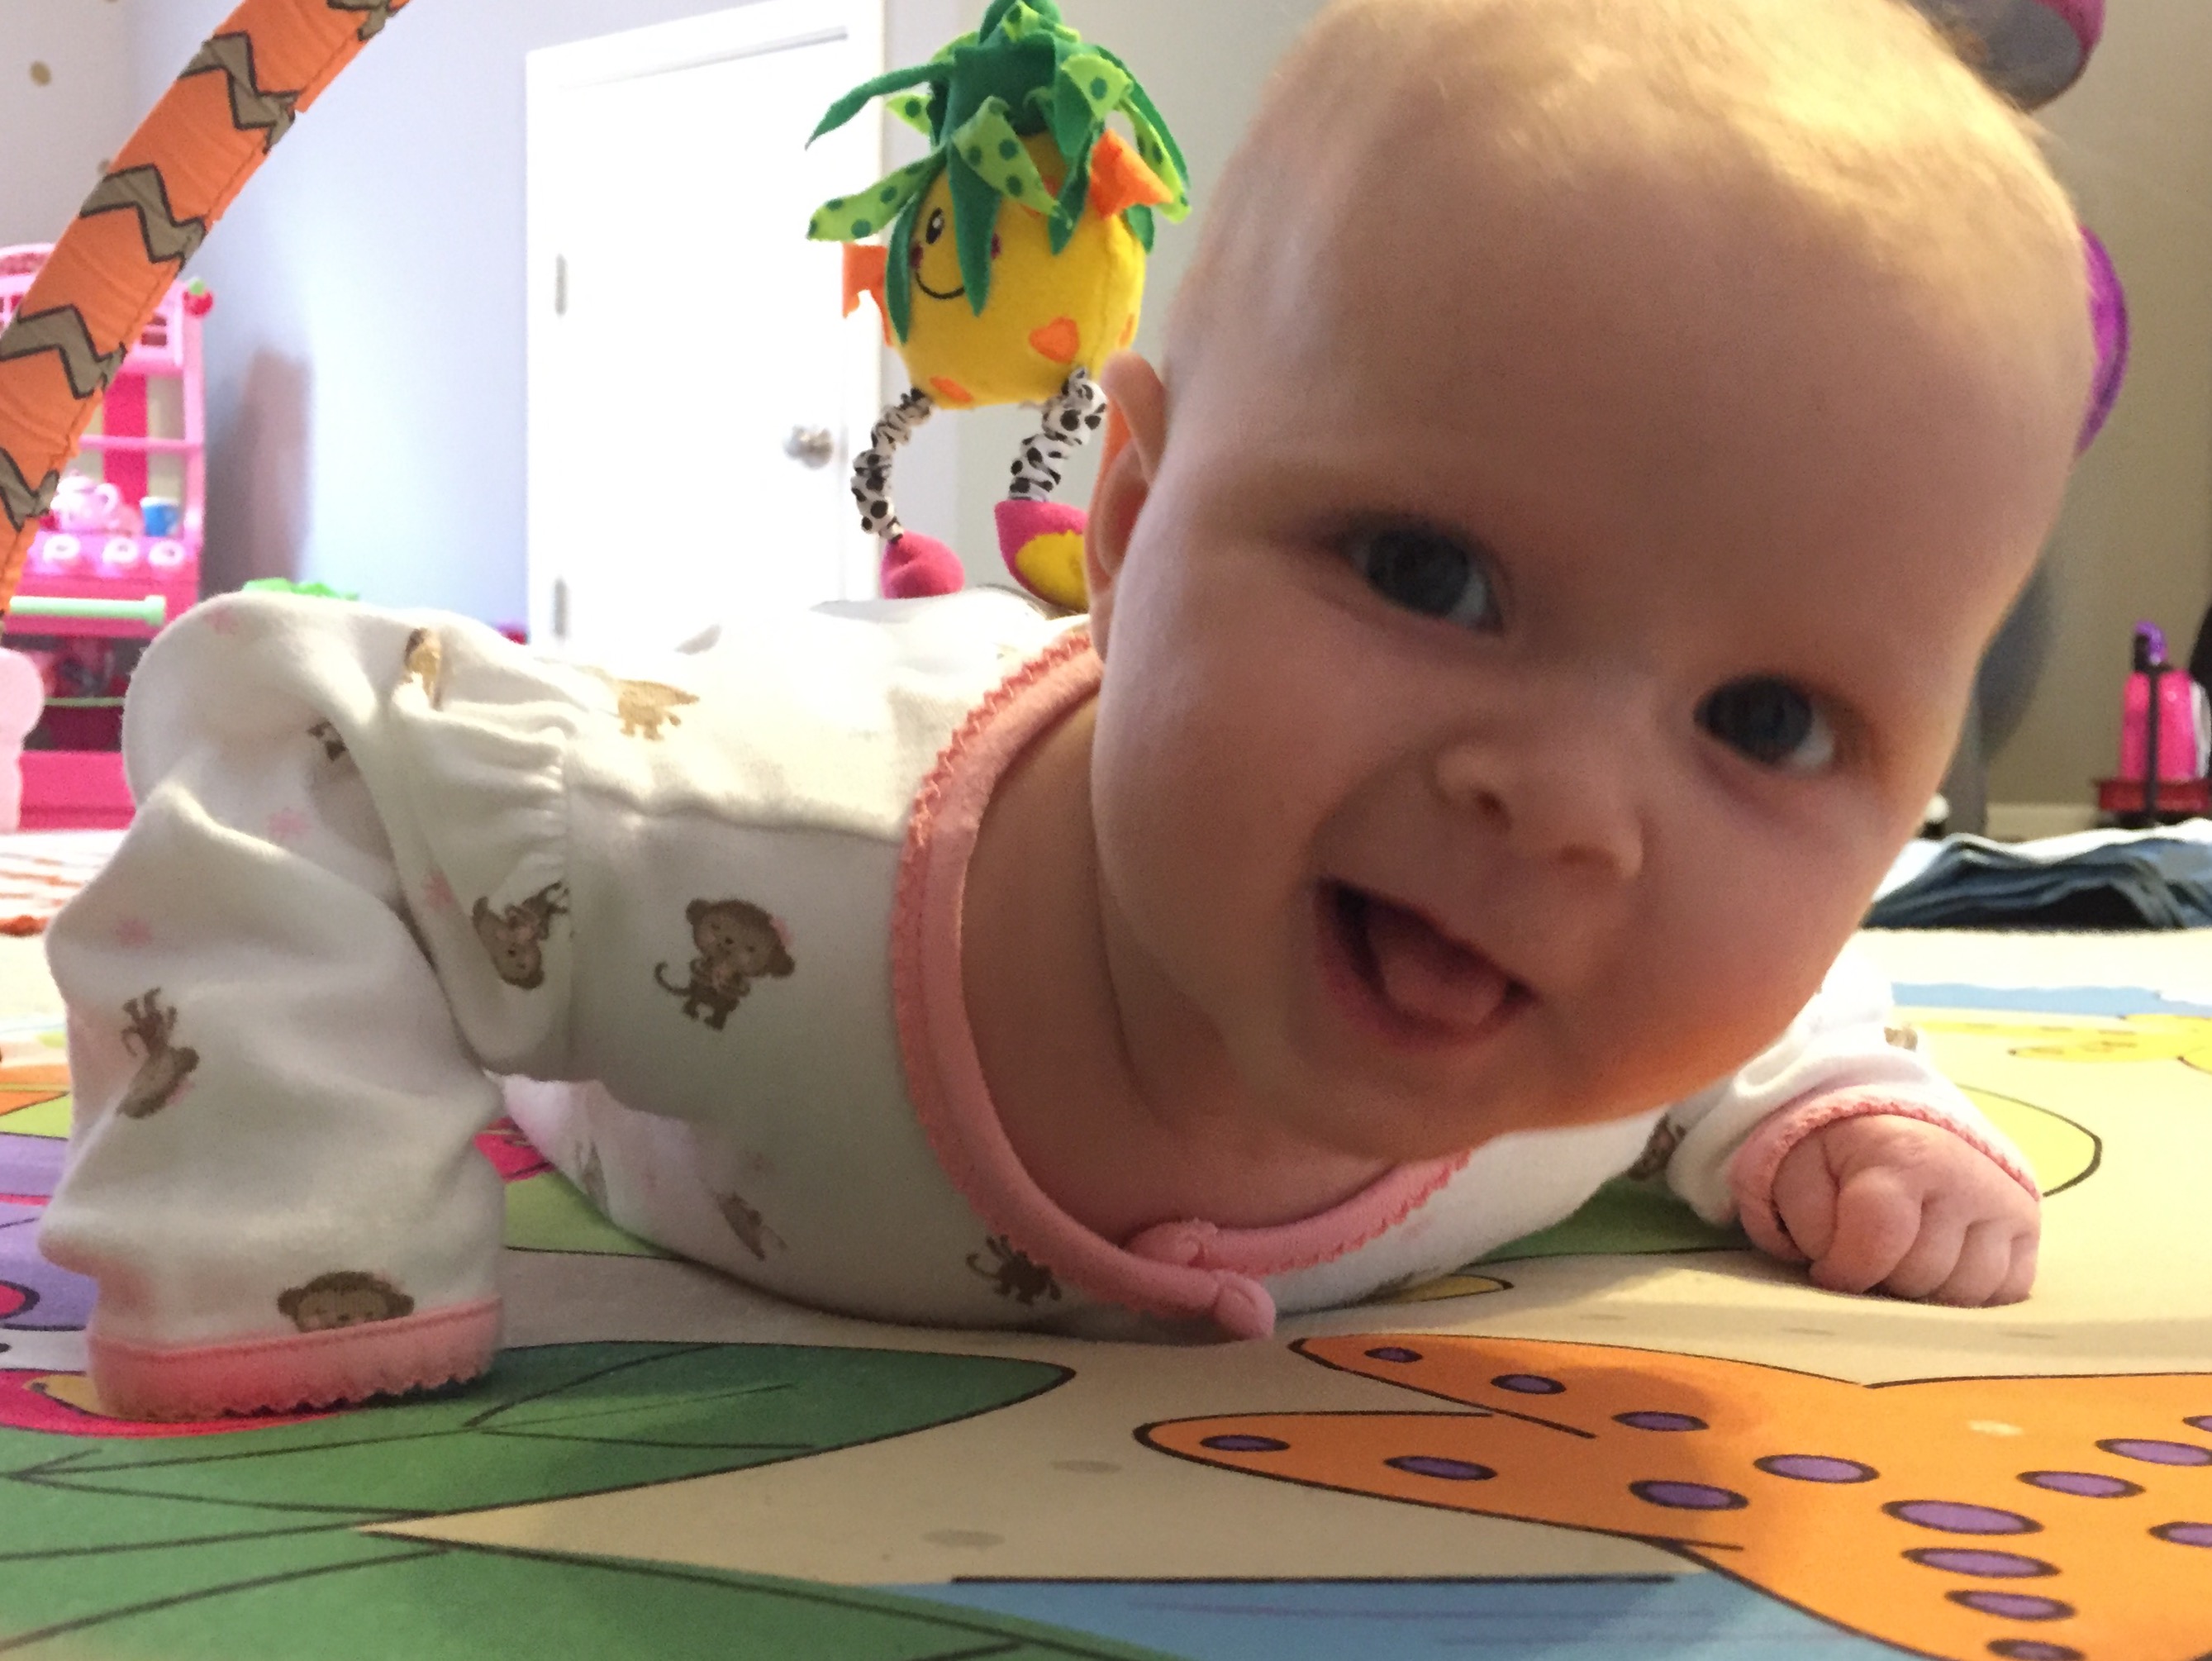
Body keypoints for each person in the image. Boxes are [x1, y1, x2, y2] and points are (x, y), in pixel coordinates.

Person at [40, 0, 2091, 1421]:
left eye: (1766, 721)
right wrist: (286, 1238)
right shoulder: (712, 855)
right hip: (872, 768)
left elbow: (1774, 974)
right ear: (1126, 516)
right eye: (1426, 573)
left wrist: (1839, 1105)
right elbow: (298, 740)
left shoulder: (1597, 983)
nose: (1569, 811)